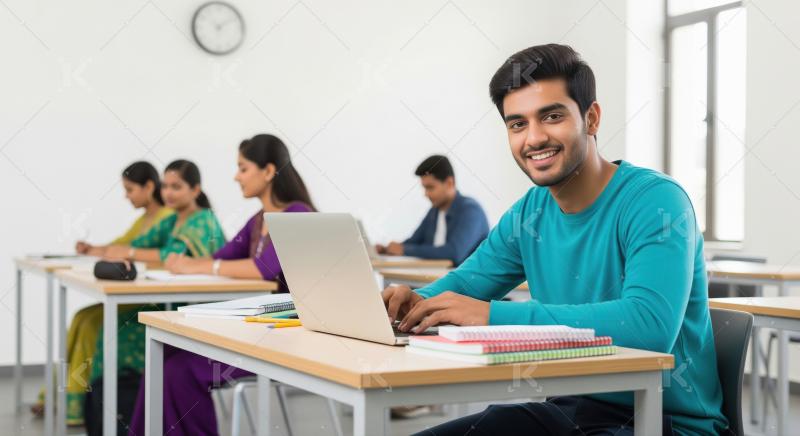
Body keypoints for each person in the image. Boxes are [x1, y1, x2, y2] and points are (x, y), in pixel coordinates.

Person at [383, 44, 728, 435]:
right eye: (517, 124)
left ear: (591, 118)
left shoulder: (656, 200)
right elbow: (466, 284)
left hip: (663, 421)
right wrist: (413, 301)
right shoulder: (530, 213)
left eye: (551, 116)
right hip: (569, 409)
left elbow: (649, 328)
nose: (533, 138)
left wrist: (491, 316)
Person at [127, 134, 316, 436]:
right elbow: (221, 256)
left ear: (268, 172)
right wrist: (189, 265)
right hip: (260, 326)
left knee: (180, 372)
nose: (236, 176)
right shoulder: (258, 221)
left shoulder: (298, 214)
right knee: (163, 355)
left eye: (243, 168)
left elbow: (264, 269)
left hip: (287, 336)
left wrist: (196, 265)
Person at [32, 161, 173, 425]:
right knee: (82, 318)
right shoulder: (145, 220)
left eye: (130, 190)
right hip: (137, 293)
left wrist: (112, 251)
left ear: (149, 187)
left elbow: (137, 251)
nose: (126, 196)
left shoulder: (167, 219)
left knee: (93, 324)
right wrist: (94, 249)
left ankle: (78, 406)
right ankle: (59, 397)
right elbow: (121, 245)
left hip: (153, 300)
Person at [86, 159, 226, 408]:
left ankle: (129, 412)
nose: (168, 193)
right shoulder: (174, 220)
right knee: (113, 326)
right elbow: (142, 243)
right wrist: (104, 250)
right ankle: (119, 413)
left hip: (201, 312)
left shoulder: (202, 221)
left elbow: (171, 256)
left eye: (176, 186)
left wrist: (128, 252)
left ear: (195, 190)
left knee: (120, 330)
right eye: (165, 186)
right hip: (173, 302)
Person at [376, 155, 489, 265]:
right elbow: (413, 242)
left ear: (450, 183)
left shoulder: (471, 211)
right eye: (424, 188)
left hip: (466, 282)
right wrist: (387, 249)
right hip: (438, 277)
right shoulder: (434, 211)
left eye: (430, 187)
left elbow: (454, 253)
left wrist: (404, 250)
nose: (426, 194)